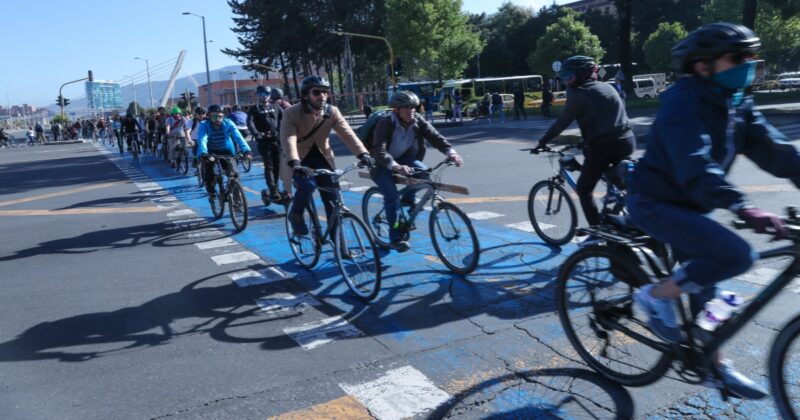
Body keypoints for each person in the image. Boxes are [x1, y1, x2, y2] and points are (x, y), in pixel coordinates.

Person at [628, 22, 800, 400]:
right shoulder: (682, 102)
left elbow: (779, 153)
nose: (748, 65)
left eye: (752, 57)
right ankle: (656, 296)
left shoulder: (736, 102)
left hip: (693, 206)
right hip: (654, 202)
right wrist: (742, 205)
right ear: (702, 66)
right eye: (738, 58)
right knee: (737, 256)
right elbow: (695, 163)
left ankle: (713, 367)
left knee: (713, 295)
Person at [534, 55, 636, 227]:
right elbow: (604, 118)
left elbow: (562, 122)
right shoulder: (608, 87)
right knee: (616, 178)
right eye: (565, 78)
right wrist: (585, 141)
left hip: (604, 146)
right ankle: (619, 201)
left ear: (582, 75)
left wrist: (542, 142)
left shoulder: (579, 94)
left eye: (569, 77)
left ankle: (596, 230)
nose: (566, 82)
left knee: (584, 188)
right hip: (627, 141)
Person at [369, 91, 464, 251]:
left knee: (424, 174)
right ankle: (395, 237)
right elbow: (379, 150)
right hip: (380, 163)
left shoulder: (417, 120)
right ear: (396, 109)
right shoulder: (385, 123)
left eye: (413, 107)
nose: (411, 111)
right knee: (392, 197)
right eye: (406, 107)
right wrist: (395, 166)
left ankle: (408, 199)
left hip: (404, 158)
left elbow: (435, 137)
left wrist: (451, 153)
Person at [280, 75, 375, 236]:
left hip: (322, 158)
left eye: (325, 92)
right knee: (308, 185)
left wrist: (363, 154)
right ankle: (295, 214)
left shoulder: (332, 111)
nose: (322, 96)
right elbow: (289, 139)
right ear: (306, 95)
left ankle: (335, 239)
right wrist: (295, 164)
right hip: (299, 159)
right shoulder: (292, 113)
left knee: (332, 199)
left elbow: (348, 134)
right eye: (317, 92)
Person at [196, 104, 252, 201]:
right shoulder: (204, 124)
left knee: (234, 174)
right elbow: (202, 139)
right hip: (210, 152)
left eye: (220, 116)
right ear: (209, 116)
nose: (217, 119)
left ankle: (237, 200)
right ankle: (211, 192)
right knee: (209, 174)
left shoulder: (228, 123)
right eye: (214, 116)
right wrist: (204, 153)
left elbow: (238, 137)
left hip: (227, 151)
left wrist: (246, 150)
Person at [247, 85, 286, 205]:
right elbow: (250, 123)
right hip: (264, 141)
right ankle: (273, 189)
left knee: (277, 165)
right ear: (257, 95)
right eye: (262, 94)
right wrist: (257, 134)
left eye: (267, 94)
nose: (265, 96)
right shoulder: (254, 109)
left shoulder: (276, 106)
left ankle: (276, 187)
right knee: (269, 166)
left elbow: (284, 118)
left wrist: (282, 131)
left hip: (276, 140)